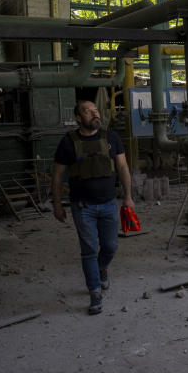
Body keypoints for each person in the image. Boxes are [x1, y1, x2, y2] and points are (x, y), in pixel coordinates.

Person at [52, 100, 134, 315]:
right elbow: (58, 176)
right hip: (82, 206)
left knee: (110, 247)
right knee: (88, 251)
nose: (94, 114)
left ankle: (102, 268)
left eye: (95, 110)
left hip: (108, 204)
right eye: (88, 111)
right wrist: (57, 204)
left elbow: (123, 167)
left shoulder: (111, 138)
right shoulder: (68, 143)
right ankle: (95, 293)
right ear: (79, 118)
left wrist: (128, 196)